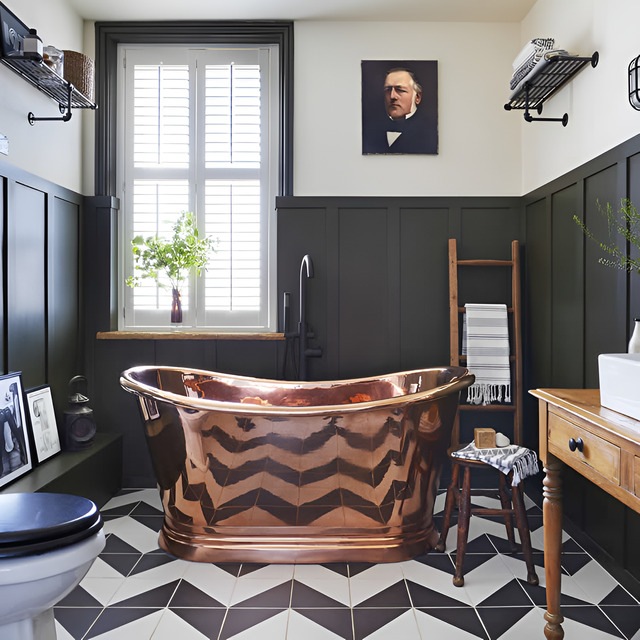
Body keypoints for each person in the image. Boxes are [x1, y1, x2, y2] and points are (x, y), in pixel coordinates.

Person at [363, 67, 438, 155]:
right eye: (388, 90)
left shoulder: (431, 132)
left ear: (417, 97)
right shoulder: (369, 129)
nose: (392, 96)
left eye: (400, 90)